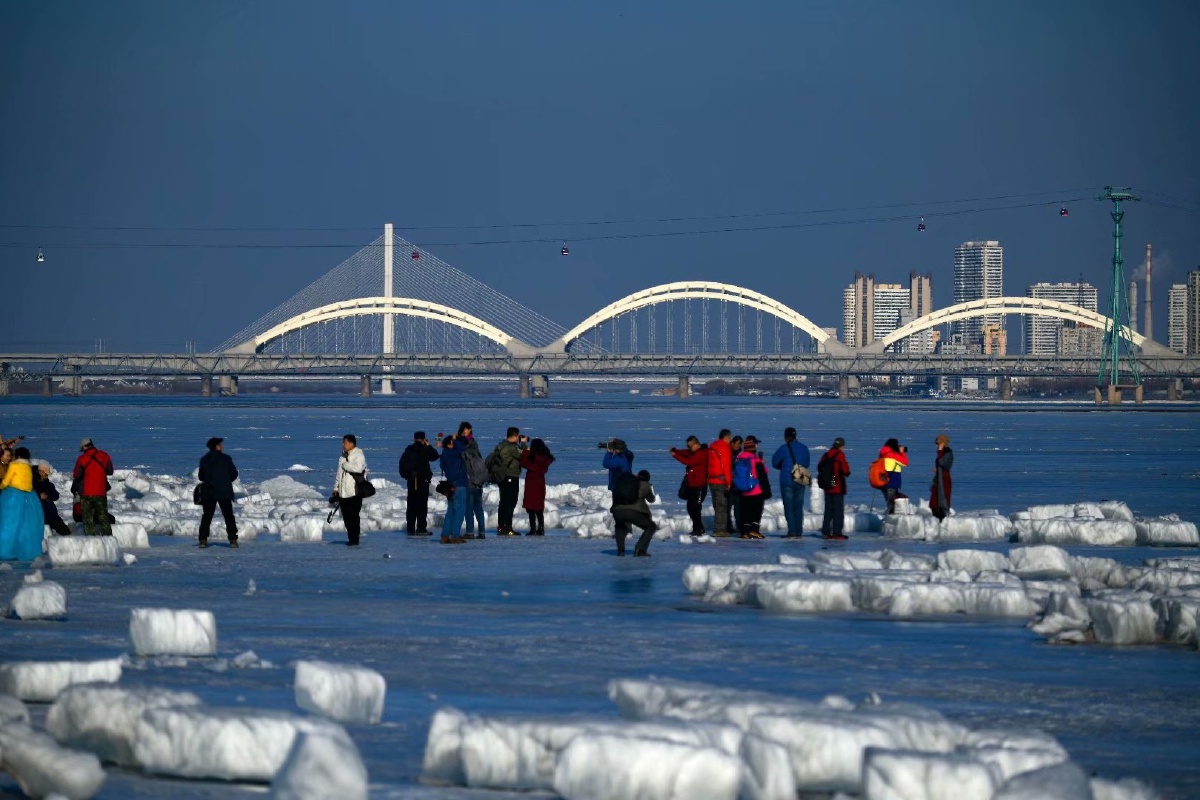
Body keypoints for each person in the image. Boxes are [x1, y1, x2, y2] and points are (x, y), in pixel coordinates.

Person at [0, 447, 45, 561]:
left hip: (13, 496)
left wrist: (1, 487)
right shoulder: (28, 467)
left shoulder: (14, 465)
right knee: (26, 525)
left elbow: (7, 480)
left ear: (18, 456)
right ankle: (25, 549)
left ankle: (6, 550)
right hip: (29, 498)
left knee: (9, 523)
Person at [198, 437, 240, 549]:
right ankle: (233, 540)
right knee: (228, 516)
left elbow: (201, 476)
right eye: (220, 444)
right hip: (224, 491)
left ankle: (203, 540)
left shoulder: (204, 459)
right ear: (216, 446)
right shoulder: (226, 458)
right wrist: (225, 480)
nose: (222, 446)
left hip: (209, 491)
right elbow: (234, 473)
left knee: (207, 516)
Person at [771, 427, 810, 538]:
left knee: (789, 507)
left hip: (787, 479)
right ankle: (799, 531)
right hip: (800, 479)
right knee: (798, 506)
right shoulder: (804, 448)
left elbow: (774, 462)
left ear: (785, 437)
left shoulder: (783, 448)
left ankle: (792, 531)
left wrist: (783, 466)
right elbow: (807, 463)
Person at [399, 431, 439, 536]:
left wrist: (407, 476)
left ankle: (410, 529)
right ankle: (421, 528)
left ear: (414, 438)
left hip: (412, 481)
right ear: (423, 439)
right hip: (423, 481)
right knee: (421, 505)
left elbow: (402, 464)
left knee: (412, 505)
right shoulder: (425, 449)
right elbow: (435, 456)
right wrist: (429, 446)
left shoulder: (409, 450)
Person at [488, 427, 526, 536]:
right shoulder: (511, 447)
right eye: (518, 436)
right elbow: (523, 455)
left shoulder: (501, 445)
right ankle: (508, 527)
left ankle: (501, 526)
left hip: (501, 476)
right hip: (510, 476)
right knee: (511, 502)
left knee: (504, 502)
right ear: (514, 436)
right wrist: (523, 444)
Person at [72, 438, 113, 536]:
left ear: (84, 447)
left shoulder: (82, 459)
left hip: (86, 494)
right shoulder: (104, 456)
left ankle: (91, 541)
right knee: (103, 518)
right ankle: (108, 539)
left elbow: (76, 475)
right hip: (101, 492)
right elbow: (110, 471)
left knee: (88, 519)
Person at [611, 469, 657, 557]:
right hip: (632, 513)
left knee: (620, 527)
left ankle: (621, 551)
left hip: (617, 511)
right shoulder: (645, 485)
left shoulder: (623, 483)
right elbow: (651, 499)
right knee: (651, 527)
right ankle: (640, 550)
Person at [332, 434, 368, 546]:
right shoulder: (342, 457)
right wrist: (336, 488)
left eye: (345, 443)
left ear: (352, 444)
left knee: (354, 517)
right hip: (343, 493)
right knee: (347, 519)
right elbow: (339, 474)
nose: (343, 445)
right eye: (343, 442)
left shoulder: (359, 455)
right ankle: (351, 538)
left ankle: (354, 540)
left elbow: (358, 468)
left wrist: (346, 465)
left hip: (355, 492)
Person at [734, 436, 771, 539]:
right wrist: (766, 491)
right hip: (756, 490)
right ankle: (754, 530)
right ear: (753, 446)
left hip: (744, 490)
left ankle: (744, 532)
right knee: (756, 512)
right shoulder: (755, 459)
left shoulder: (740, 458)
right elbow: (763, 474)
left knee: (745, 512)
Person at [670, 436, 708, 536]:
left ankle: (699, 529)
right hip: (692, 485)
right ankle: (697, 528)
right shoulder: (694, 452)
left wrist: (675, 455)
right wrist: (677, 451)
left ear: (696, 445)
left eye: (690, 446)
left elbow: (689, 461)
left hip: (699, 486)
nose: (689, 448)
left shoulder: (702, 453)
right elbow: (686, 453)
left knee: (695, 508)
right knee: (691, 508)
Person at [439, 430, 470, 543]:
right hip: (459, 485)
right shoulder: (453, 454)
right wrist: (457, 439)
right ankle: (455, 535)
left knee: (451, 511)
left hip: (451, 485)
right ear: (449, 444)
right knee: (459, 511)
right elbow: (462, 447)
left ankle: (445, 535)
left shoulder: (444, 455)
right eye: (452, 442)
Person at [519, 438, 554, 536]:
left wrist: (525, 450)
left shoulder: (532, 457)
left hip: (531, 482)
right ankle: (541, 528)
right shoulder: (545, 458)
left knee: (530, 507)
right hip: (540, 482)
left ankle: (533, 529)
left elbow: (523, 462)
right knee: (539, 507)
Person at [817, 438, 850, 540]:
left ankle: (826, 532)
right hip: (837, 485)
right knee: (838, 511)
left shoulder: (826, 455)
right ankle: (837, 532)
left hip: (827, 486)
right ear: (841, 446)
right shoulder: (840, 455)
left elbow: (819, 467)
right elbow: (845, 470)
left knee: (828, 510)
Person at [460, 423, 488, 539]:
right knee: (478, 508)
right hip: (479, 481)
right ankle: (482, 532)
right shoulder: (476, 449)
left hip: (470, 482)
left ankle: (470, 532)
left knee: (469, 508)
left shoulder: (464, 452)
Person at [707, 430, 733, 537]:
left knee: (717, 505)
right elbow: (726, 466)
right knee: (721, 506)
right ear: (726, 437)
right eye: (730, 438)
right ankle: (720, 530)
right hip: (720, 480)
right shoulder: (724, 449)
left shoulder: (712, 447)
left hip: (711, 480)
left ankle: (719, 528)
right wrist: (728, 482)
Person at [35, 461, 71, 536]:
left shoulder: (49, 484)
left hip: (52, 515)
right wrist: (39, 496)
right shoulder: (33, 484)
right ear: (40, 472)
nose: (46, 475)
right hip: (39, 517)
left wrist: (48, 496)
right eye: (45, 473)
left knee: (67, 533)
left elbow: (56, 495)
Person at [877, 438, 909, 515]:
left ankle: (889, 514)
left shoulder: (883, 453)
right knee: (892, 500)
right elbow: (905, 463)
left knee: (888, 499)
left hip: (883, 479)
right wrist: (902, 453)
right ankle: (892, 516)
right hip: (892, 480)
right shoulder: (893, 455)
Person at [930, 434, 954, 522]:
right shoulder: (943, 452)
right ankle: (937, 520)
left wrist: (940, 451)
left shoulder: (947, 452)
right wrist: (937, 469)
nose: (937, 446)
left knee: (943, 499)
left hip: (944, 479)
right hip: (939, 478)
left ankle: (943, 520)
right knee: (934, 502)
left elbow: (943, 463)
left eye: (938, 444)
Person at [729, 435, 744, 534]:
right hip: (730, 483)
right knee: (727, 507)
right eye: (737, 444)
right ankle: (728, 527)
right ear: (733, 443)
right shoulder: (728, 453)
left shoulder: (741, 454)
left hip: (738, 484)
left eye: (740, 445)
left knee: (738, 509)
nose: (738, 446)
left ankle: (739, 527)